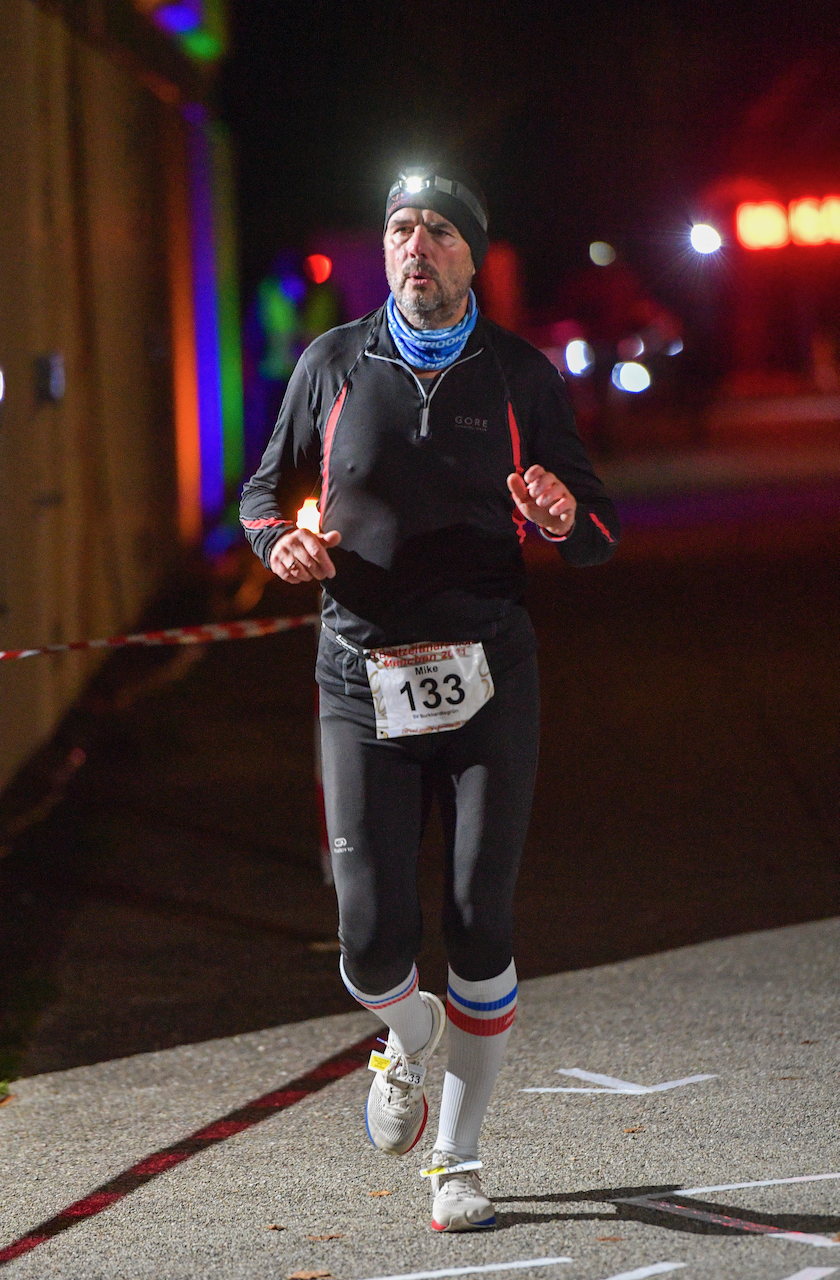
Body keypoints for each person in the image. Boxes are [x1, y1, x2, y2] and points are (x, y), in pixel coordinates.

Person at [240, 167, 620, 1231]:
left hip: (487, 676)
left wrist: (554, 514)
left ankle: (457, 1160)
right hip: (358, 675)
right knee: (368, 937)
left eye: (439, 230)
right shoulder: (332, 363)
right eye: (400, 227)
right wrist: (281, 544)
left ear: (471, 254)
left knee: (475, 920)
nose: (416, 244)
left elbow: (594, 529)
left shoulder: (516, 374)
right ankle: (408, 1040)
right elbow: (262, 492)